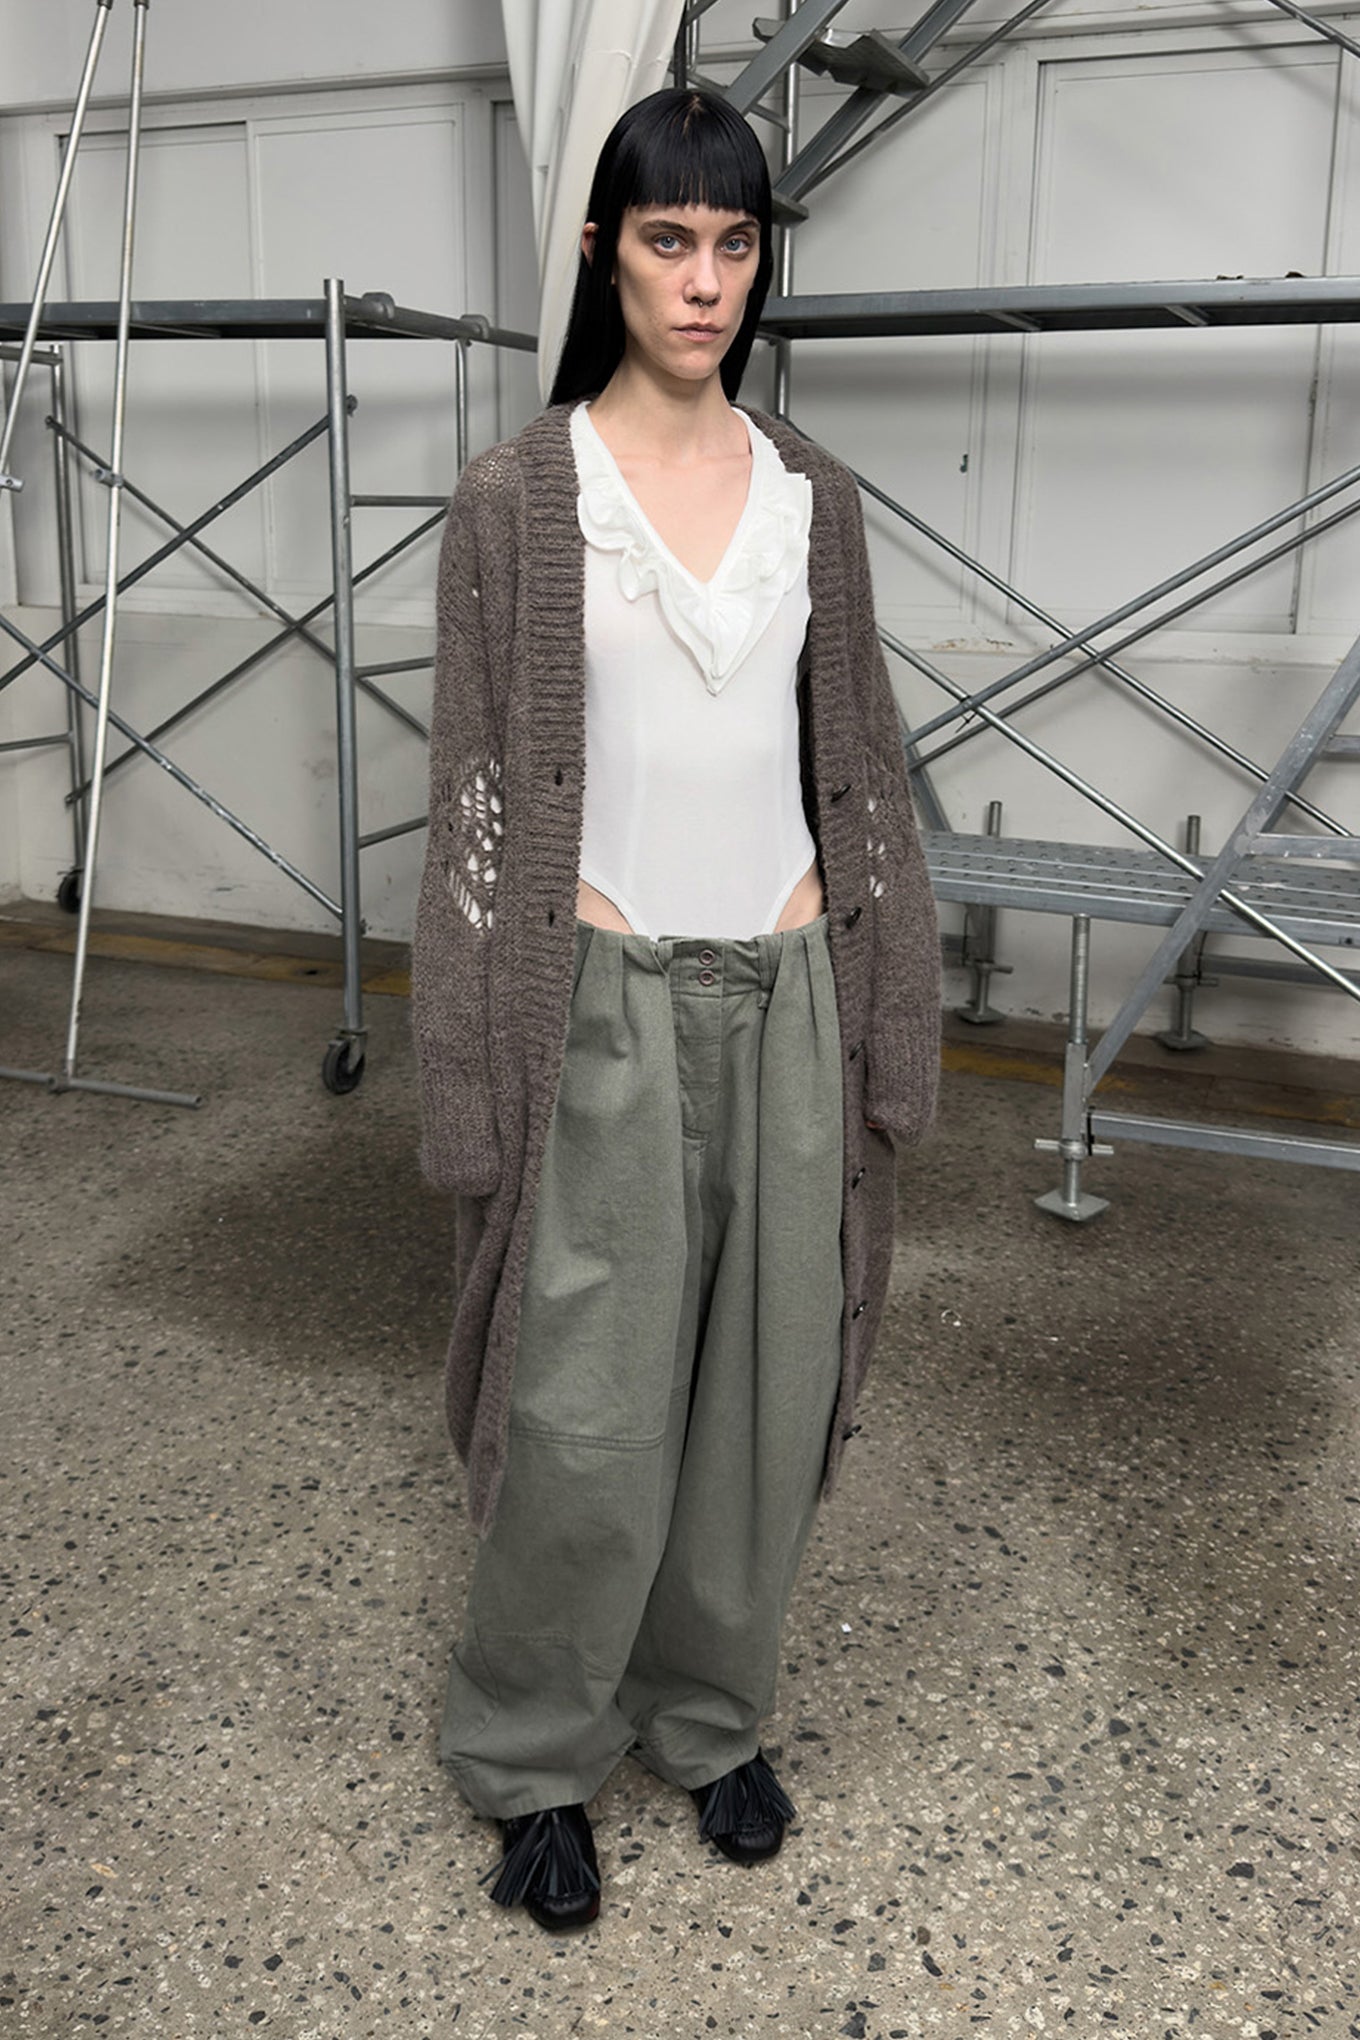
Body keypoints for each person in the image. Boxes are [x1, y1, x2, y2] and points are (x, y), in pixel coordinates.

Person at [411, 85, 940, 1933]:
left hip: (789, 993)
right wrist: (469, 1074)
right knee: (584, 1413)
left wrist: (888, 1013)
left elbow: (863, 767)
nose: (705, 280)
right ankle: (535, 1755)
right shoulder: (517, 503)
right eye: (667, 240)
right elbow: (473, 800)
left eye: (734, 243)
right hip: (601, 1004)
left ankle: (709, 1720)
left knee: (763, 1401)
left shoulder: (816, 501)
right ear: (603, 253)